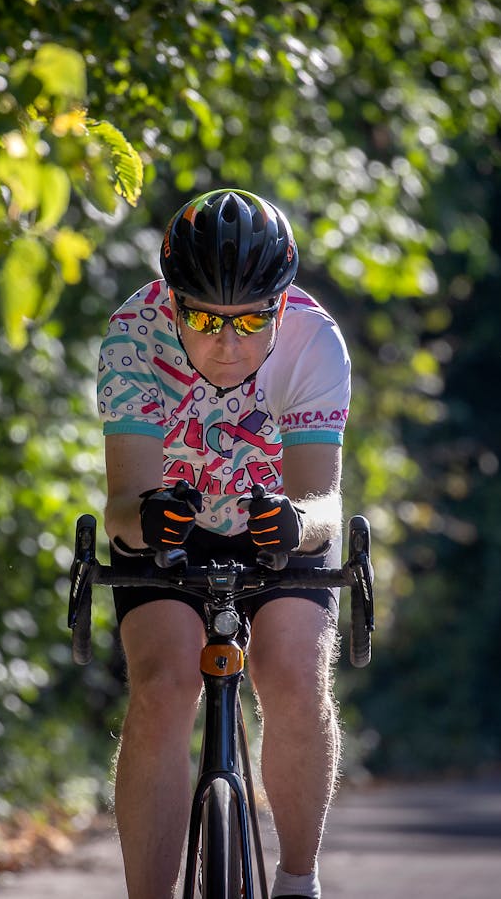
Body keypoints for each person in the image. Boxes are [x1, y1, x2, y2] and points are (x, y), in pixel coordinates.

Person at [96, 188, 352, 899]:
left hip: (282, 519)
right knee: (162, 684)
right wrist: (147, 520)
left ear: (281, 303)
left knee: (294, 675)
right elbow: (121, 506)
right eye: (205, 318)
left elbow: (323, 501)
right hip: (171, 524)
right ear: (171, 302)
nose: (228, 343)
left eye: (250, 320)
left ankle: (297, 880)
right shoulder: (132, 335)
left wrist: (297, 526)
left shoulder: (313, 340)